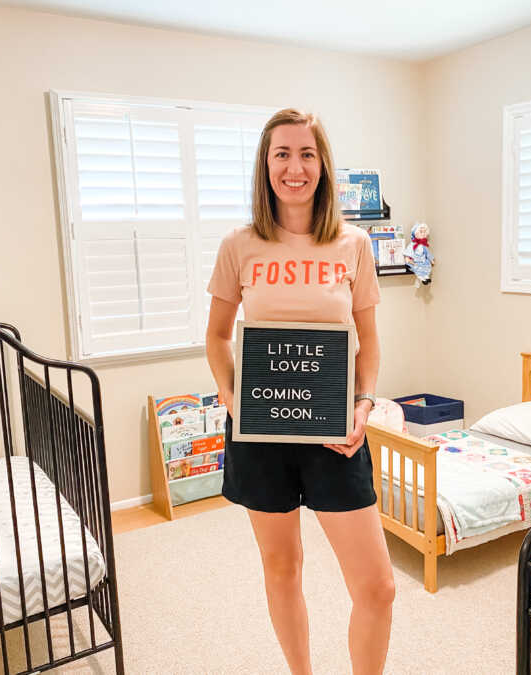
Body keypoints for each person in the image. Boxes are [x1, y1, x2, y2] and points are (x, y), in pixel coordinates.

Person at [205, 108, 394, 675]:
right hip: (260, 435)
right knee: (282, 568)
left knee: (378, 588)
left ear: (323, 165)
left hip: (336, 434)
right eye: (282, 154)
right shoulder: (239, 245)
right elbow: (216, 337)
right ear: (266, 166)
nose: (295, 167)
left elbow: (369, 341)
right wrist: (234, 400)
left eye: (306, 154)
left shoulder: (353, 244)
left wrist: (364, 405)